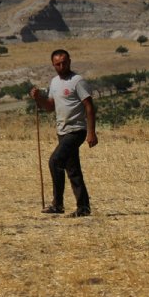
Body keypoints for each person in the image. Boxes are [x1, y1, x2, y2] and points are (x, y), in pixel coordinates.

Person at [29, 49, 97, 217]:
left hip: (77, 130)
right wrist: (38, 98)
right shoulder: (54, 82)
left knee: (55, 161)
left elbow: (89, 106)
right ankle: (83, 208)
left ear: (69, 61)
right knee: (72, 169)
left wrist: (91, 133)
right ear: (53, 65)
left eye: (64, 63)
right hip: (62, 130)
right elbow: (50, 107)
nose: (61, 66)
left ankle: (57, 204)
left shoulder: (77, 81)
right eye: (57, 64)